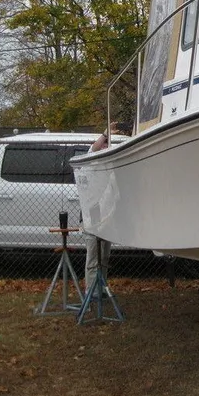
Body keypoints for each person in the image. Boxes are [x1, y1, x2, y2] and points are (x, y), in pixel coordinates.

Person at [83, 122, 119, 293]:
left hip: (107, 215)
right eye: (104, 144)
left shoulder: (110, 166)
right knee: (93, 256)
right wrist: (105, 134)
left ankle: (102, 288)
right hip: (93, 214)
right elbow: (94, 148)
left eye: (107, 145)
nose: (105, 147)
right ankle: (91, 291)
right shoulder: (91, 162)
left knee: (104, 256)